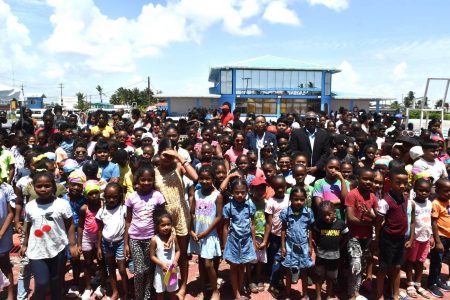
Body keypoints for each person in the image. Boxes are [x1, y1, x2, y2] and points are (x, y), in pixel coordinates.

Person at [19, 171, 77, 300]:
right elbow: (29, 226)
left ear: (53, 187)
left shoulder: (62, 204)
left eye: (47, 186)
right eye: (39, 186)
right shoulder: (30, 206)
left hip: (58, 248)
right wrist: (24, 244)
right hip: (36, 249)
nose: (43, 189)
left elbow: (70, 224)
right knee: (42, 283)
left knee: (56, 282)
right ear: (34, 187)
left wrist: (72, 244)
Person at [155, 138, 198, 299]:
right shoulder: (154, 172)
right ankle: (168, 285)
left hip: (181, 212)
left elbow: (195, 177)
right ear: (159, 154)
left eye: (170, 155)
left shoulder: (179, 166)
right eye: (164, 155)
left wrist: (179, 157)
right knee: (166, 253)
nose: (167, 159)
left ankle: (183, 285)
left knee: (181, 252)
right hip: (164, 216)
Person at [124, 165, 165, 300]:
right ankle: (138, 296)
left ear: (153, 180)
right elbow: (128, 221)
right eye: (143, 180)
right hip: (135, 238)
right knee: (139, 271)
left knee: (149, 269)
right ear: (137, 181)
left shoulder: (157, 196)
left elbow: (162, 218)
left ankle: (147, 296)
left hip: (151, 238)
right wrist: (126, 243)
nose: (146, 183)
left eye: (149, 180)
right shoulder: (132, 197)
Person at [375, 167, 410, 300]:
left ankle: (395, 294)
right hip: (387, 239)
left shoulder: (405, 198)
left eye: (405, 182)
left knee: (397, 267)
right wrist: (377, 240)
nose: (402, 186)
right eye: (398, 182)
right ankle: (380, 295)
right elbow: (378, 222)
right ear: (390, 182)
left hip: (400, 239)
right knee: (383, 268)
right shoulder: (385, 201)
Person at [189, 166, 222, 300]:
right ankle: (203, 289)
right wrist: (192, 230)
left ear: (213, 179)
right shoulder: (196, 194)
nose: (205, 181)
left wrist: (206, 232)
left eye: (208, 178)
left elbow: (219, 216)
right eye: (202, 178)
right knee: (202, 264)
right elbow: (191, 212)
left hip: (209, 235)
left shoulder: (217, 195)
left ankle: (215, 291)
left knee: (209, 264)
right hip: (197, 234)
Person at [345, 168, 378, 299]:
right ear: (358, 178)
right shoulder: (352, 194)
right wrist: (371, 222)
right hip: (354, 236)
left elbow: (378, 218)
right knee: (355, 265)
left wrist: (371, 215)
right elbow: (351, 218)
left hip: (368, 237)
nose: (368, 182)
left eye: (371, 180)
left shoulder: (373, 196)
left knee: (362, 265)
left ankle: (354, 289)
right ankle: (353, 294)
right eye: (365, 178)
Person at [222, 178, 256, 300]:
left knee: (242, 266)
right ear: (232, 192)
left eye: (243, 192)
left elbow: (252, 225)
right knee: (234, 267)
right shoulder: (228, 207)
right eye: (237, 192)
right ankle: (236, 294)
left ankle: (240, 289)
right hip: (233, 241)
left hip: (246, 241)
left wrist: (253, 241)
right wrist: (225, 246)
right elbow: (225, 227)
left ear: (247, 191)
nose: (240, 195)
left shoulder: (250, 205)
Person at [280, 186, 314, 300]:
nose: (299, 202)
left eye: (302, 199)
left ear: (305, 199)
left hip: (304, 246)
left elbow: (310, 230)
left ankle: (305, 294)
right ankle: (288, 294)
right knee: (288, 270)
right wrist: (283, 246)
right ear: (291, 199)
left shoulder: (308, 212)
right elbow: (283, 229)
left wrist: (310, 246)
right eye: (296, 199)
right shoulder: (286, 212)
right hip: (290, 246)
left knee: (304, 271)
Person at [96, 183, 129, 300]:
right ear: (104, 196)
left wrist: (126, 244)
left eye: (114, 197)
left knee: (122, 269)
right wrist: (99, 246)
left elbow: (126, 228)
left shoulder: (123, 209)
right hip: (106, 243)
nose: (111, 200)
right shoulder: (102, 211)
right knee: (110, 268)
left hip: (120, 243)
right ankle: (115, 292)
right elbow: (100, 229)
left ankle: (125, 293)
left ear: (119, 196)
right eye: (108, 197)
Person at [313, 201, 348, 300]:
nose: (327, 217)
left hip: (334, 256)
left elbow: (346, 236)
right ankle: (318, 297)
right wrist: (317, 247)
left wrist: (340, 246)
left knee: (330, 278)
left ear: (334, 212)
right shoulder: (318, 223)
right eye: (324, 215)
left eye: (329, 214)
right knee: (319, 277)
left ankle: (328, 295)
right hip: (321, 255)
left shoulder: (340, 223)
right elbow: (315, 236)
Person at [405, 179, 432, 299]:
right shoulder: (411, 203)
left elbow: (430, 220)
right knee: (410, 261)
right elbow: (410, 221)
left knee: (421, 261)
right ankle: (410, 283)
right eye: (421, 190)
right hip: (414, 238)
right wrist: (410, 239)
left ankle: (418, 284)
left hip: (425, 237)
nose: (424, 193)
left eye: (427, 191)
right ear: (415, 190)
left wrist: (431, 236)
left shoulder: (430, 203)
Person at [78, 180, 103, 300]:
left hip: (101, 237)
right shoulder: (84, 209)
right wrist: (78, 243)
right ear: (86, 195)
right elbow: (80, 226)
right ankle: (88, 288)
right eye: (91, 194)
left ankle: (102, 285)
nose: (94, 196)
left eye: (96, 193)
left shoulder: (103, 206)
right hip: (87, 237)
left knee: (101, 262)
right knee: (87, 263)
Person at [266, 175, 289, 298]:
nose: (280, 189)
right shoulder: (270, 202)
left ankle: (279, 280)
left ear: (285, 186)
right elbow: (269, 222)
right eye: (277, 187)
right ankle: (272, 284)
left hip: (288, 235)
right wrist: (267, 238)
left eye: (282, 187)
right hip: (276, 235)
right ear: (273, 187)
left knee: (283, 259)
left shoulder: (290, 198)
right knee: (277, 259)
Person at [427, 178, 450, 297]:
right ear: (438, 190)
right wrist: (438, 241)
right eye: (446, 191)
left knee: (441, 262)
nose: (449, 193)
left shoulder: (449, 201)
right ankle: (431, 283)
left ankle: (437, 280)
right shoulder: (435, 203)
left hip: (448, 236)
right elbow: (434, 223)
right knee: (436, 261)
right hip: (441, 237)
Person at [289, 111, 330, 177]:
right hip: (301, 171)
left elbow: (326, 153)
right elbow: (294, 151)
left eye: (313, 119)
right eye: (308, 119)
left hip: (319, 172)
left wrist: (316, 167)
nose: (311, 121)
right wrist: (302, 165)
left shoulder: (323, 134)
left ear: (317, 120)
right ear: (304, 120)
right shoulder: (296, 134)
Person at [150, 213, 180, 300]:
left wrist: (175, 261)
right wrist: (161, 264)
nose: (166, 227)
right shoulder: (155, 239)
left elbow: (178, 251)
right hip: (159, 271)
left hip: (171, 270)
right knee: (160, 292)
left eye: (168, 224)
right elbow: (152, 256)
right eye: (163, 225)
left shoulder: (174, 238)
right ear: (157, 227)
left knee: (172, 291)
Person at [0, 174, 16, 300]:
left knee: (5, 262)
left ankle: (10, 295)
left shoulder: (6, 189)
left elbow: (11, 213)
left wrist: (1, 233)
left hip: (3, 232)